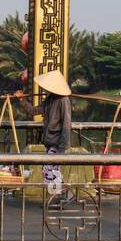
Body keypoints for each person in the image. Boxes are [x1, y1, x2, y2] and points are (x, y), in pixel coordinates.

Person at [33, 69, 73, 198]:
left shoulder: (63, 100)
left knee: (51, 171)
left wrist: (62, 148)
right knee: (49, 171)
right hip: (49, 142)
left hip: (57, 142)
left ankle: (62, 195)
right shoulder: (51, 98)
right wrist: (21, 99)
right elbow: (35, 111)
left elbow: (67, 125)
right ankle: (56, 197)